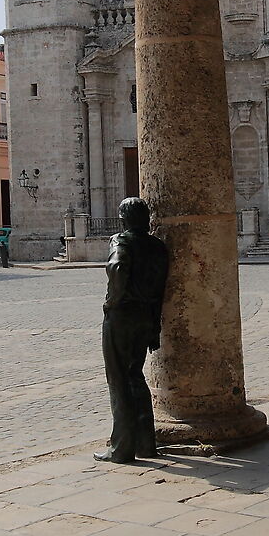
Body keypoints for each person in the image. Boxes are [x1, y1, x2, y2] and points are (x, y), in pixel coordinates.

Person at [96, 197, 168, 464]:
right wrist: (154, 324)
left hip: (122, 316)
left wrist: (111, 301)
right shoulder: (158, 247)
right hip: (146, 317)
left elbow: (117, 266)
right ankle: (145, 443)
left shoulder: (121, 241)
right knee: (136, 376)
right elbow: (160, 289)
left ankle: (121, 448)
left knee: (118, 380)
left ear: (123, 219)